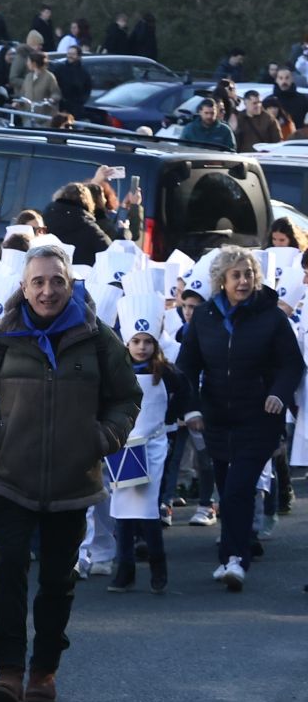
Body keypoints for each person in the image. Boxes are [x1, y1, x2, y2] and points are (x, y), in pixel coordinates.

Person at [0, 245, 141, 702]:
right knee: (10, 571)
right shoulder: (0, 338)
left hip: (73, 482)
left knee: (58, 580)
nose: (47, 290)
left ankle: (44, 671)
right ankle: (9, 672)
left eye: (56, 281)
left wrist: (104, 437)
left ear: (70, 283)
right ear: (23, 287)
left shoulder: (97, 338)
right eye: (37, 281)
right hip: (10, 477)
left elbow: (127, 396)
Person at [176, 247, 303, 593]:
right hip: (215, 418)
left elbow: (291, 363)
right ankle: (230, 553)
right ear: (222, 280)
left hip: (259, 417)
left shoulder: (271, 317)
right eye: (237, 275)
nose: (244, 280)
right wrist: (191, 408)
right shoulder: (204, 316)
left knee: (238, 488)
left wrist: (278, 392)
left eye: (248, 273)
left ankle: (235, 559)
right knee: (226, 486)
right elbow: (187, 366)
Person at [106, 294, 194, 594]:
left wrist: (178, 416)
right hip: (123, 446)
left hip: (153, 446)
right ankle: (125, 570)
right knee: (121, 509)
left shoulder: (166, 372)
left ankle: (158, 568)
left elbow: (186, 393)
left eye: (147, 341)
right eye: (136, 341)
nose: (142, 347)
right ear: (126, 343)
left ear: (156, 343)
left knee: (146, 508)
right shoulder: (117, 372)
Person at [39, 183, 111, 266]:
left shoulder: (42, 222)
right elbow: (109, 254)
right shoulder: (90, 229)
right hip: (81, 276)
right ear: (88, 202)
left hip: (45, 273)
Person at [55, 46, 93, 119]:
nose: (70, 56)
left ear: (78, 56)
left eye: (73, 54)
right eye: (69, 53)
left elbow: (87, 89)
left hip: (77, 109)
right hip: (61, 108)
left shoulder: (84, 72)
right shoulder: (60, 70)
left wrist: (81, 101)